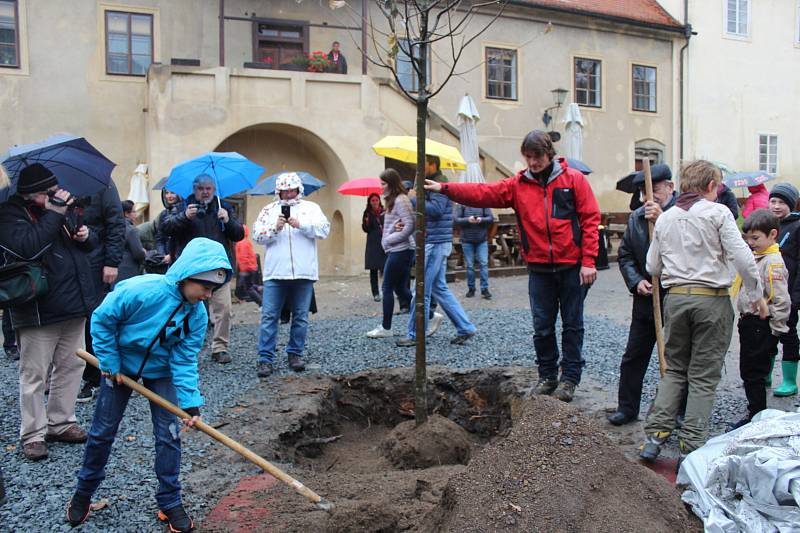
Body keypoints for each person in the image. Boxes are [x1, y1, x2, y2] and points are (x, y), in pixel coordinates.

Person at [66, 238, 232, 532]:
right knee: (102, 432)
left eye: (213, 290)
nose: (208, 295)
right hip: (120, 367)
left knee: (169, 434)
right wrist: (110, 361)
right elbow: (103, 320)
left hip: (161, 370)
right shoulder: (141, 290)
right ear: (186, 275)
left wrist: (190, 403)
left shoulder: (196, 315)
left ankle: (169, 501)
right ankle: (83, 493)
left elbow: (184, 360)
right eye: (204, 287)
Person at [426, 131, 600, 402]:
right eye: (528, 157)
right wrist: (445, 189)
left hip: (571, 265)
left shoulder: (573, 180)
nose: (532, 163)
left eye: (537, 157)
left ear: (549, 154)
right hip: (540, 267)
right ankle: (547, 375)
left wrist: (588, 261)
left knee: (572, 324)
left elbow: (590, 219)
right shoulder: (518, 185)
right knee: (542, 325)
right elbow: (483, 193)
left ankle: (569, 378)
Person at [639, 160, 767, 464]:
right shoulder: (719, 213)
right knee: (703, 374)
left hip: (678, 299)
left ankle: (654, 437)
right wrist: (756, 293)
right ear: (711, 186)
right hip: (711, 300)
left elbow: (652, 266)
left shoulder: (666, 218)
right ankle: (691, 444)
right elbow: (743, 259)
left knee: (676, 369)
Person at [0, 163, 96, 460]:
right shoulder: (9, 214)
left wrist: (85, 236)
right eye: (49, 192)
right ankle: (33, 434)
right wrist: (54, 214)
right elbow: (27, 247)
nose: (58, 195)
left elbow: (86, 248)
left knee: (71, 367)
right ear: (32, 194)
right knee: (35, 374)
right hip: (37, 308)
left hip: (73, 303)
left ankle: (61, 422)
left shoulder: (57, 211)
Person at [607, 164, 676, 425]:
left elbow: (684, 250)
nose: (649, 198)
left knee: (675, 359)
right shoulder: (636, 218)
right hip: (645, 300)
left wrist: (662, 221)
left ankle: (673, 411)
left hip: (674, 298)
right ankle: (627, 408)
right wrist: (636, 281)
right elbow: (625, 255)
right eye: (644, 192)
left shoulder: (682, 215)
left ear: (669, 187)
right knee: (634, 356)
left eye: (654, 190)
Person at [252, 172, 330, 377]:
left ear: (298, 189)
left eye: (291, 190)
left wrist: (301, 225)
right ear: (278, 191)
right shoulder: (268, 210)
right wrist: (275, 228)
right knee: (269, 316)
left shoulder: (311, 209)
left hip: (304, 272)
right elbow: (257, 236)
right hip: (275, 273)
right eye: (284, 191)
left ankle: (295, 353)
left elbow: (323, 230)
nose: (288, 194)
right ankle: (265, 358)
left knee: (301, 316)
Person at [395, 155, 477, 348]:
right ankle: (465, 327)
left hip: (435, 242)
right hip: (436, 240)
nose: (419, 168)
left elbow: (437, 210)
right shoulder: (433, 182)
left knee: (421, 289)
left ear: (432, 165)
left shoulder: (439, 183)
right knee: (439, 288)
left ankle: (415, 333)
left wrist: (415, 200)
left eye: (422, 164)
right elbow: (430, 214)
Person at [162, 175, 245, 364]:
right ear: (194, 189)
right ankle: (183, 347)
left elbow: (239, 234)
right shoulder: (183, 206)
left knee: (223, 309)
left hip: (218, 268)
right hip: (192, 272)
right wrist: (184, 217)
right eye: (201, 188)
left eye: (209, 188)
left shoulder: (223, 207)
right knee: (186, 310)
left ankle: (220, 347)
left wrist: (228, 220)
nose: (205, 192)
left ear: (214, 189)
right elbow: (165, 228)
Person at [729, 209, 790, 429]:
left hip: (760, 324)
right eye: (748, 238)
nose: (750, 243)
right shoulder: (758, 257)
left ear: (773, 234)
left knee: (753, 372)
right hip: (749, 322)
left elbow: (781, 299)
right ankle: (755, 411)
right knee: (749, 369)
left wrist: (774, 328)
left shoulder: (772, 261)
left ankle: (757, 416)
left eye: (756, 238)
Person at [76, 181, 125, 403]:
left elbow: (116, 223)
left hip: (96, 263)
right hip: (66, 264)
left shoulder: (101, 184)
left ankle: (95, 375)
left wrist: (112, 262)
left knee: (94, 320)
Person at [366, 169, 415, 338]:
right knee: (400, 288)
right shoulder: (394, 201)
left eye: (384, 183)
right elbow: (400, 223)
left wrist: (390, 239)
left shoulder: (401, 200)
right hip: (398, 249)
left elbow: (410, 225)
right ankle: (429, 315)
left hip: (400, 250)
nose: (381, 187)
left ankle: (386, 328)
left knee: (386, 287)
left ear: (392, 184)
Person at [768, 183, 800, 397]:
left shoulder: (797, 227)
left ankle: (790, 381)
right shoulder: (767, 225)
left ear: (791, 205)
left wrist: (796, 295)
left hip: (789, 293)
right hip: (769, 292)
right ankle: (765, 373)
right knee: (766, 335)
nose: (776, 206)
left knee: (788, 334)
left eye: (781, 202)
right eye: (773, 201)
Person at [455, 203, 494, 299]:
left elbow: (490, 218)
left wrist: (481, 219)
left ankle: (484, 289)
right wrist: (468, 220)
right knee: (469, 266)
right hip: (467, 240)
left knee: (484, 264)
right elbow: (456, 219)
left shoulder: (483, 203)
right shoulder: (461, 204)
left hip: (482, 240)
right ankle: (471, 288)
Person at [114, 200, 146, 288]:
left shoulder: (113, 227)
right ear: (126, 214)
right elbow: (138, 253)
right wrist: (144, 252)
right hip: (129, 270)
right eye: (134, 212)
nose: (136, 214)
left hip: (114, 269)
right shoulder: (131, 230)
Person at [362, 193, 386, 302]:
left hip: (384, 242)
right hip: (373, 242)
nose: (375, 202)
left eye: (376, 200)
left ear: (379, 201)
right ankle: (375, 293)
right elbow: (366, 229)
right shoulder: (367, 213)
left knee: (386, 267)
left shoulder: (384, 211)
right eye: (373, 200)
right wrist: (366, 222)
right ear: (369, 202)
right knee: (373, 269)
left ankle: (386, 290)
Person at [234, 224, 260, 302]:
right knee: (249, 286)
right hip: (250, 267)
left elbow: (243, 257)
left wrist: (243, 270)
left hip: (247, 268)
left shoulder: (241, 243)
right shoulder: (245, 241)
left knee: (247, 288)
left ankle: (261, 303)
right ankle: (261, 290)